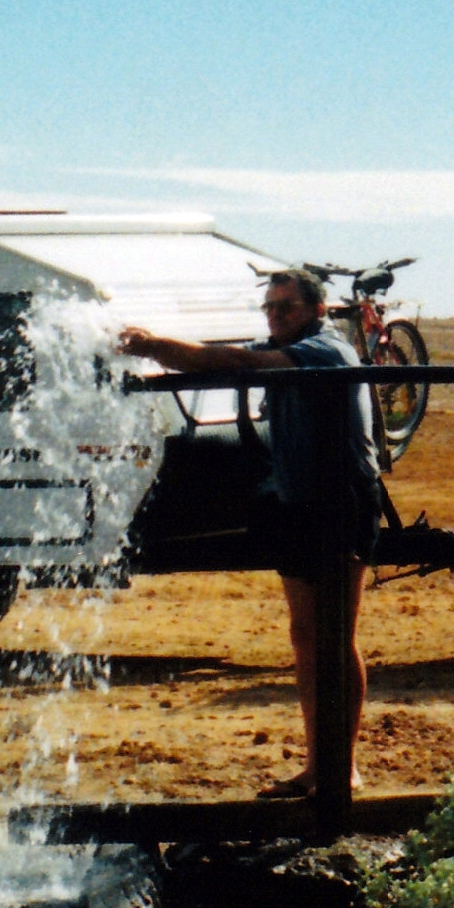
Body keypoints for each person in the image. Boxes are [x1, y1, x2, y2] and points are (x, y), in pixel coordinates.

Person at [117, 269, 380, 799]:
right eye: (270, 308)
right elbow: (225, 356)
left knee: (334, 636)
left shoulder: (326, 352)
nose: (275, 316)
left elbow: (236, 363)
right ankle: (318, 764)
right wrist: (156, 360)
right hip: (298, 500)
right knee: (306, 636)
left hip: (342, 502)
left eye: (287, 307)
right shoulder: (286, 347)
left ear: (318, 311)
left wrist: (149, 345)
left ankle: (342, 768)